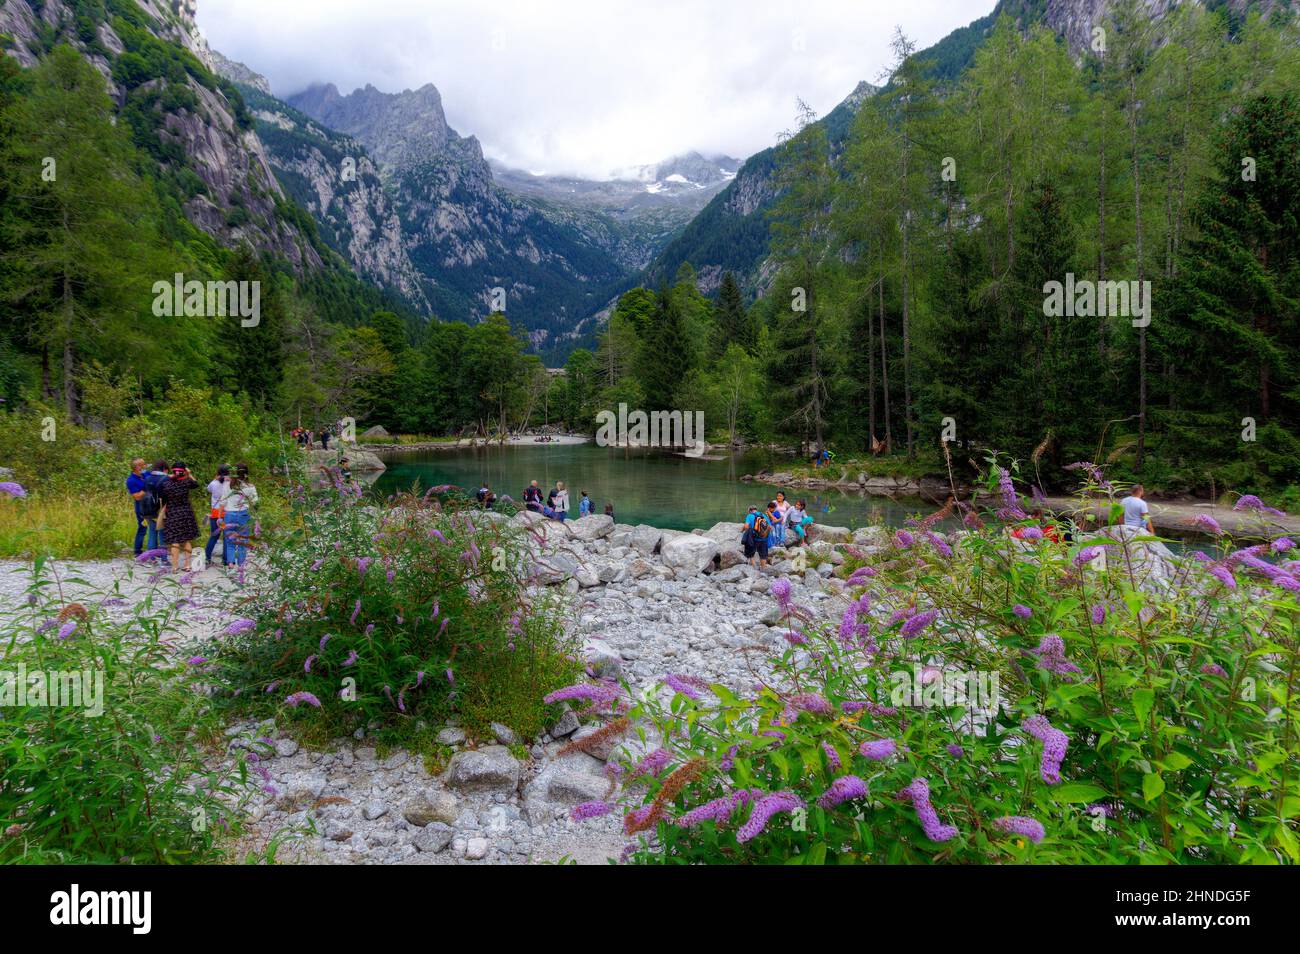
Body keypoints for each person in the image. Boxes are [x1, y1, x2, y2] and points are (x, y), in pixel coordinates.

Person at [158, 462, 200, 572]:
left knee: (174, 541)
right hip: (186, 513)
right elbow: (196, 484)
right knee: (186, 540)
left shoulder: (167, 484)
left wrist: (169, 477)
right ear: (184, 471)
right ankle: (187, 565)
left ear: (173, 471)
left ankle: (175, 566)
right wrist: (189, 474)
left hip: (172, 513)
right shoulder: (187, 482)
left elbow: (160, 492)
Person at [220, 463, 259, 568]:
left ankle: (231, 563)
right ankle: (241, 564)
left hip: (229, 514)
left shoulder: (228, 485)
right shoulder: (250, 487)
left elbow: (222, 502)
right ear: (246, 474)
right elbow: (255, 502)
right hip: (243, 515)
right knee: (243, 540)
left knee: (230, 540)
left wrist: (219, 517)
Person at [126, 458, 163, 560]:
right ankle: (137, 552)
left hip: (154, 506)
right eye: (143, 465)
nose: (145, 466)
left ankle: (154, 552)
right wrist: (146, 487)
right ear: (137, 467)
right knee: (143, 528)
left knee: (155, 529)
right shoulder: (131, 480)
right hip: (142, 508)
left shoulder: (146, 474)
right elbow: (137, 496)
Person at [204, 465, 230, 568]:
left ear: (218, 473)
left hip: (215, 514)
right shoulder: (229, 483)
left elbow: (208, 489)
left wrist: (215, 478)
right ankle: (226, 560)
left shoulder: (213, 483)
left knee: (214, 536)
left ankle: (207, 558)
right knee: (226, 537)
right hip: (226, 513)